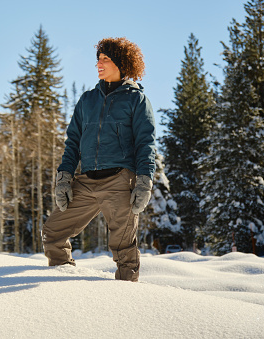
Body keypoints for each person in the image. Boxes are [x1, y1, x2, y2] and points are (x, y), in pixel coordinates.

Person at [42, 37, 156, 282]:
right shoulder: (87, 100)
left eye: (106, 59)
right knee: (53, 231)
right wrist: (64, 178)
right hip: (86, 181)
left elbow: (145, 143)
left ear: (122, 63)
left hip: (119, 181)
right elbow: (73, 141)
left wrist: (144, 182)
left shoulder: (136, 100)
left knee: (124, 248)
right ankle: (60, 281)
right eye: (98, 59)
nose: (99, 64)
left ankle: (126, 297)